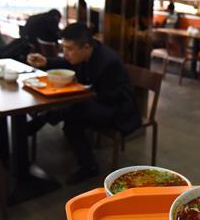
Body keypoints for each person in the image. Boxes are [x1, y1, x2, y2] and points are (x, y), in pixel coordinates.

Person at [26, 23, 140, 183]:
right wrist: (46, 62)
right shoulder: (86, 54)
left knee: (75, 108)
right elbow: (67, 63)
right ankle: (89, 166)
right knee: (72, 122)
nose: (65, 53)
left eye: (69, 48)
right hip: (97, 102)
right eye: (63, 47)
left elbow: (108, 97)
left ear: (86, 46)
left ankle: (41, 120)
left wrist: (79, 94)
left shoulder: (108, 62)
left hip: (118, 110)